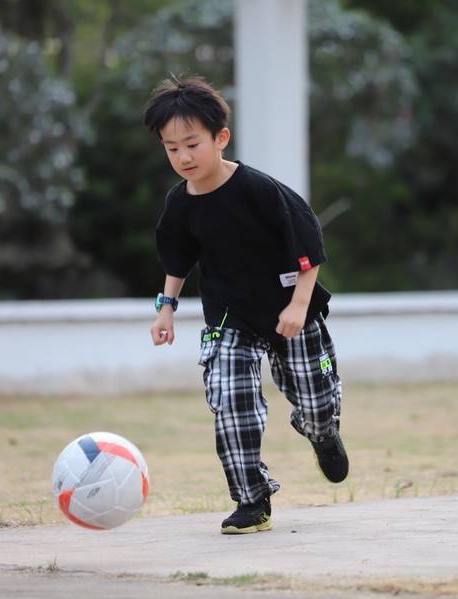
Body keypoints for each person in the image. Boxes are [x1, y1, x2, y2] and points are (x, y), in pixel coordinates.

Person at [145, 76, 348, 535]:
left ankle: (322, 431)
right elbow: (177, 260)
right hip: (229, 315)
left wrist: (298, 305)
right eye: (171, 148)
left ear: (221, 138)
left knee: (315, 402)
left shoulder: (259, 190)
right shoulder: (179, 204)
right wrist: (166, 308)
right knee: (231, 397)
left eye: (192, 144)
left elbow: (308, 248)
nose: (183, 157)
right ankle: (252, 499)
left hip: (290, 308)